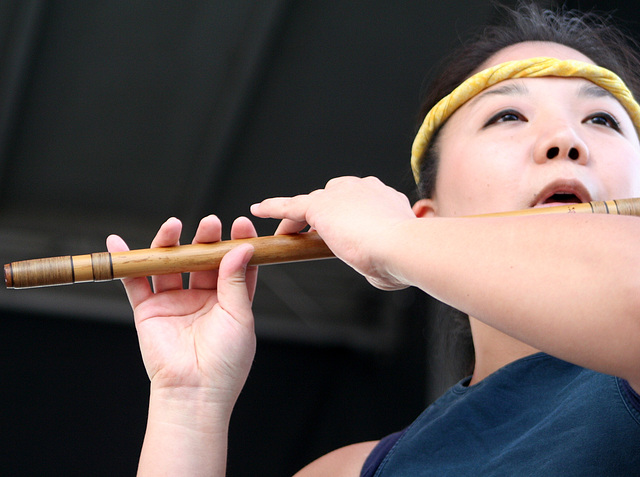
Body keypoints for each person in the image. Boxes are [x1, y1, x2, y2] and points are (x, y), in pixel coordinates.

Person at [106, 2, 640, 475]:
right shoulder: (354, 470)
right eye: (507, 114)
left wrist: (389, 238)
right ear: (431, 217)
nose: (565, 141)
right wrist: (189, 404)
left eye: (602, 119)